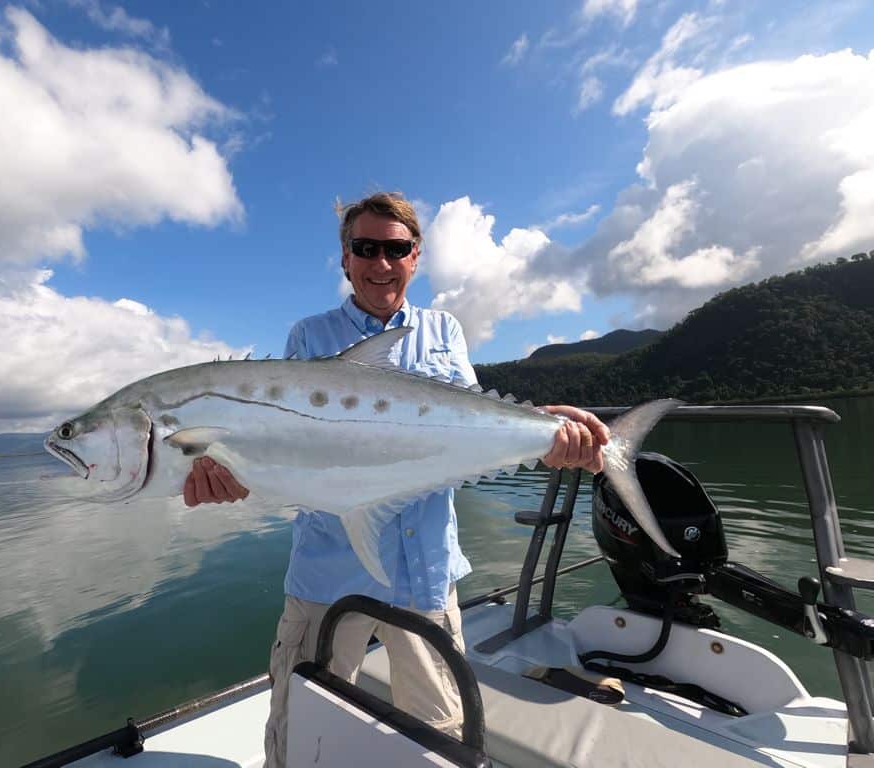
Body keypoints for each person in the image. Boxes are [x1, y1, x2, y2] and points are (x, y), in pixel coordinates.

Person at [183, 192, 608, 768]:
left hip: (425, 573)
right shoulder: (309, 337)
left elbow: (470, 423)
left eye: (396, 249)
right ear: (345, 258)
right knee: (299, 729)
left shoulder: (444, 330)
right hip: (328, 572)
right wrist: (232, 473)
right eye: (365, 248)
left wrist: (546, 429)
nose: (380, 263)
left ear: (415, 256)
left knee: (441, 737)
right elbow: (283, 444)